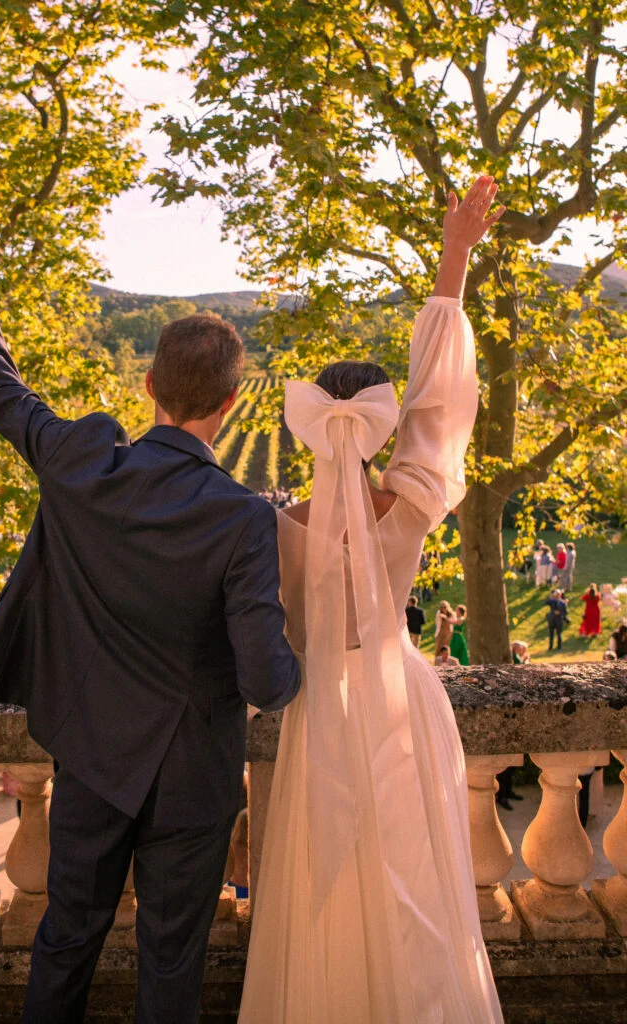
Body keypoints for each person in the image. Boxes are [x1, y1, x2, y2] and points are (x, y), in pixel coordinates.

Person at [0, 183, 300, 1024]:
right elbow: (268, 680)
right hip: (194, 778)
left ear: (147, 385)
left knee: (66, 939)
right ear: (232, 404)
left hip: (94, 757)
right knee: (171, 967)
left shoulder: (81, 461)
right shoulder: (244, 519)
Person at [239, 176, 504, 1022]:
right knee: (415, 880)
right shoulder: (413, 502)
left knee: (328, 894)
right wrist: (454, 258)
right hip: (402, 704)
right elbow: (440, 401)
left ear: (312, 427)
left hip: (320, 710)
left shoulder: (271, 531)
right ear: (381, 426)